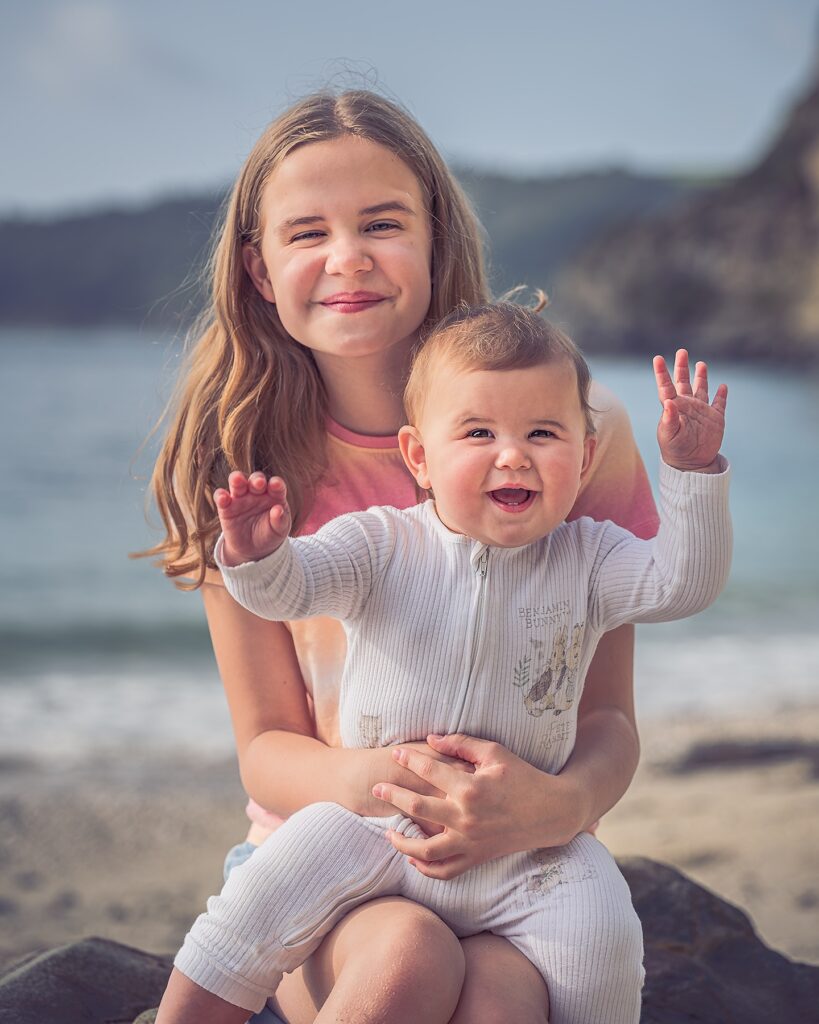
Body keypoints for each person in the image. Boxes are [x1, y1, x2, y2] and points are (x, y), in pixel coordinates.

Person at [143, 89, 664, 1024]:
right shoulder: (244, 469)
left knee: (502, 996)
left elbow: (609, 717)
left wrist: (553, 809)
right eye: (308, 233)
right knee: (406, 960)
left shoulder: (571, 441)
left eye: (382, 223)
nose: (347, 258)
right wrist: (382, 786)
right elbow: (266, 749)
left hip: (522, 873)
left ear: (435, 239)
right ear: (260, 270)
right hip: (328, 861)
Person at [158, 307, 730, 1024]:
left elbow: (683, 585)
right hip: (369, 823)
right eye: (479, 434)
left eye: (542, 434)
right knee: (247, 911)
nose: (513, 455)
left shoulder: (591, 559)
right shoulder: (379, 545)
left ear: (584, 459)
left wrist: (692, 473)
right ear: (418, 456)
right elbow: (288, 592)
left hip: (523, 847)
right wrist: (257, 553)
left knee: (606, 934)